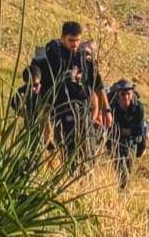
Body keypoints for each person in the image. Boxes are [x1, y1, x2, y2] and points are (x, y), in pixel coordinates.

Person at [39, 22, 111, 162]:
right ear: (62, 38)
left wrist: (106, 109)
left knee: (87, 153)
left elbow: (98, 84)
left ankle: (84, 178)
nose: (75, 44)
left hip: (82, 111)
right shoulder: (54, 56)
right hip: (60, 111)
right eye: (71, 40)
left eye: (78, 40)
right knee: (67, 153)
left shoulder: (85, 58)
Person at [107, 79, 149, 190]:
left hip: (132, 141)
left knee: (129, 168)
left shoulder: (138, 108)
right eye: (123, 94)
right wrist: (120, 131)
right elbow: (109, 128)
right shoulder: (112, 106)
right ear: (117, 95)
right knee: (122, 170)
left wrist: (123, 131)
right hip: (114, 140)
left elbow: (139, 131)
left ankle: (124, 191)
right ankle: (123, 190)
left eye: (129, 94)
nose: (126, 97)